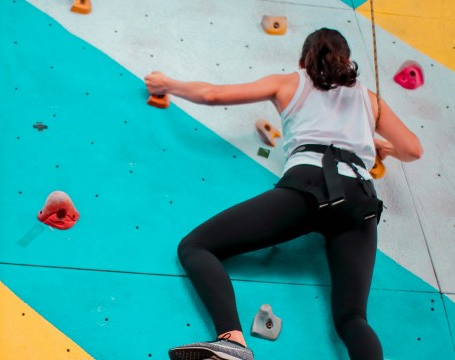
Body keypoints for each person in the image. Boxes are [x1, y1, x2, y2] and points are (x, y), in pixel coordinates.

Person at [144, 28, 423, 360]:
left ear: (303, 60)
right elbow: (412, 150)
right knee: (352, 318)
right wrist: (377, 145)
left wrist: (167, 84)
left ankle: (232, 341)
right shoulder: (369, 98)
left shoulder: (292, 81)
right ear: (347, 61)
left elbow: (214, 94)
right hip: (361, 201)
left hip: (310, 186)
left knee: (196, 246)